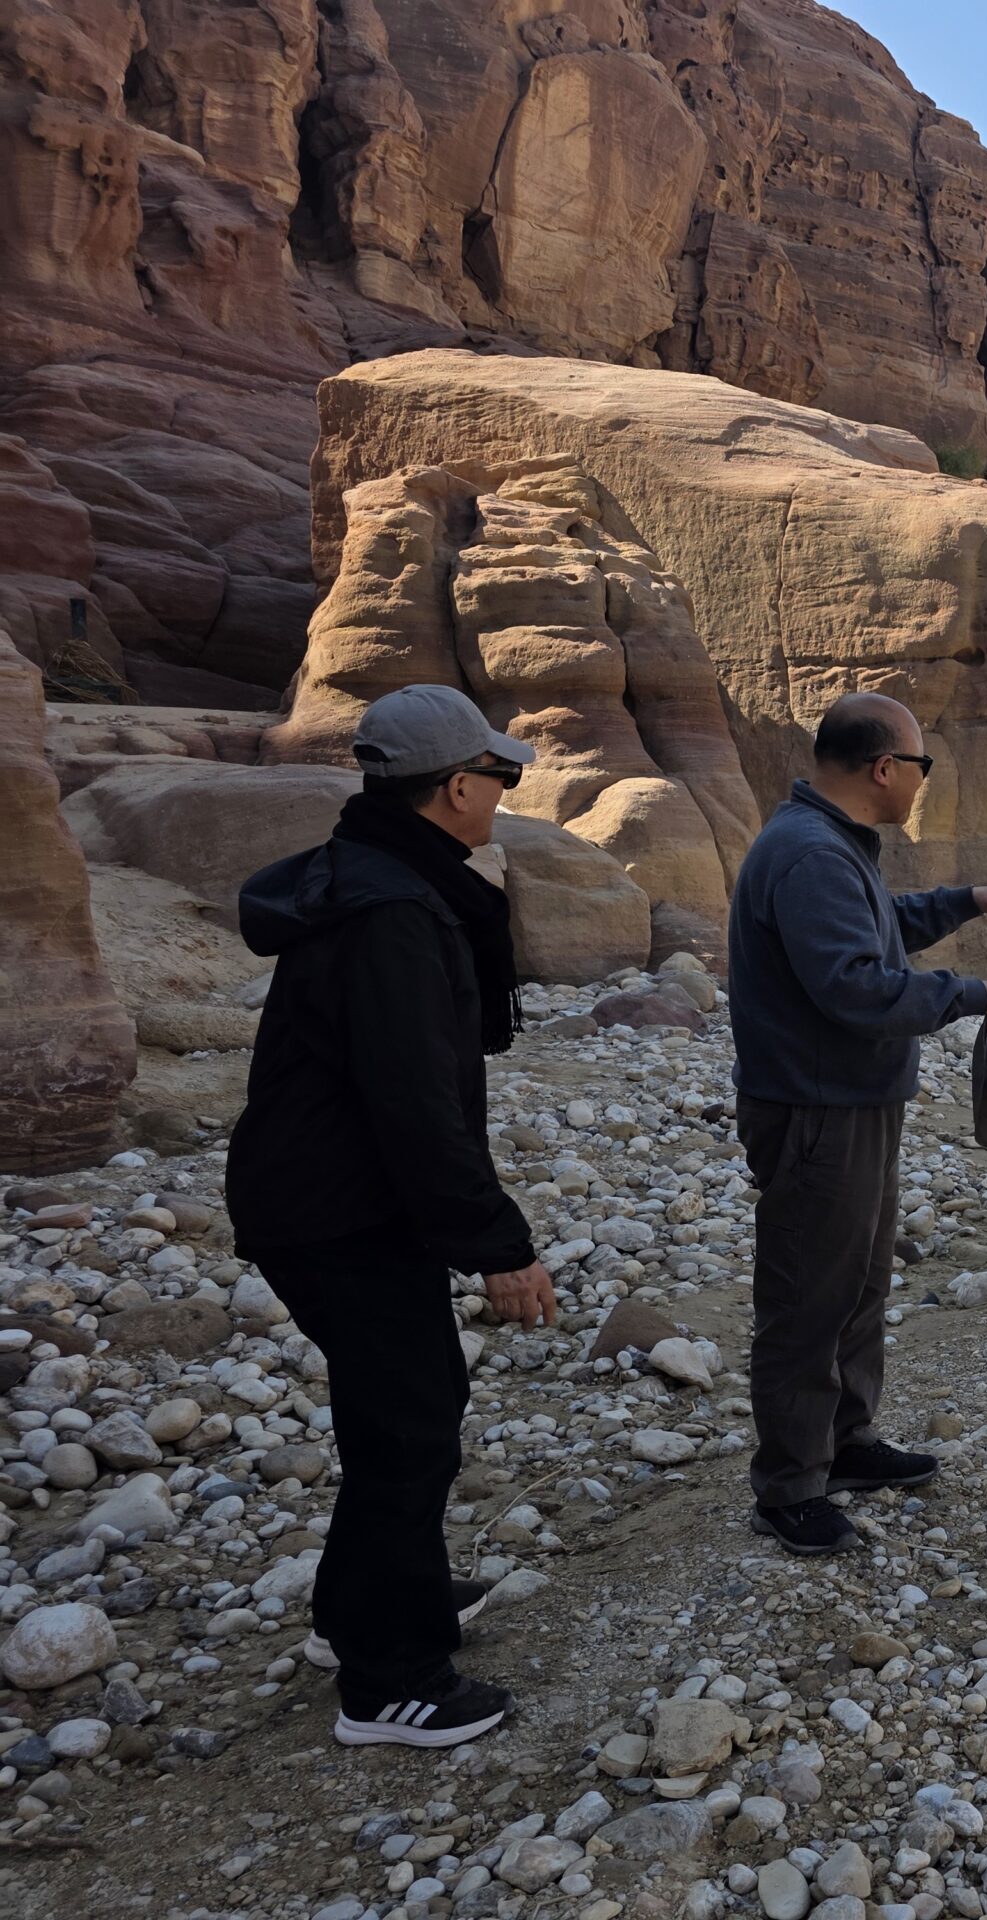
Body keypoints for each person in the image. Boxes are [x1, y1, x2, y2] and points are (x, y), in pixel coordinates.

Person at [225, 684, 558, 1750]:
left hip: (333, 1196)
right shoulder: (393, 912)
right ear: (456, 787)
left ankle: (364, 1603)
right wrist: (500, 1248)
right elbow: (414, 1107)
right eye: (496, 778)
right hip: (335, 1208)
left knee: (402, 1406)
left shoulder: (379, 874)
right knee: (409, 1421)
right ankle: (388, 1681)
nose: (502, 795)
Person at [726, 691, 987, 1554]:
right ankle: (789, 1488)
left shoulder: (831, 845)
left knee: (860, 1282)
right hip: (815, 1112)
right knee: (808, 1296)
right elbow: (857, 987)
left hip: (851, 1104)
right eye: (920, 766)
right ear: (884, 769)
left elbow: (881, 928)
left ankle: (845, 1442)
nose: (921, 781)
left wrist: (968, 900)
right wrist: (973, 993)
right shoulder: (810, 854)